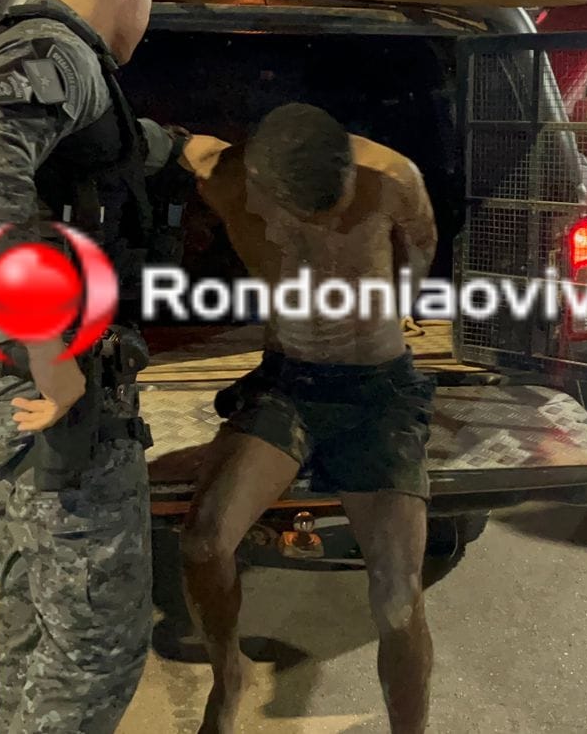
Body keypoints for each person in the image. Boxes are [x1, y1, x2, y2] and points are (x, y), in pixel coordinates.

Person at [0, 0, 190, 734]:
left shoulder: (58, 60)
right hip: (49, 396)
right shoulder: (59, 50)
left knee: (38, 626)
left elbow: (96, 154)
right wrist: (47, 345)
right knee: (96, 647)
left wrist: (178, 146)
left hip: (27, 395)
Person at [177, 103, 439, 734]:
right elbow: (173, 142)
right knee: (203, 543)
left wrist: (399, 303)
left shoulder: (392, 177)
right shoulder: (223, 177)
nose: (328, 221)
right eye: (307, 212)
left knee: (398, 601)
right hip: (288, 384)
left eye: (338, 206)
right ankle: (229, 674)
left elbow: (422, 246)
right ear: (260, 185)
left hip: (379, 392)